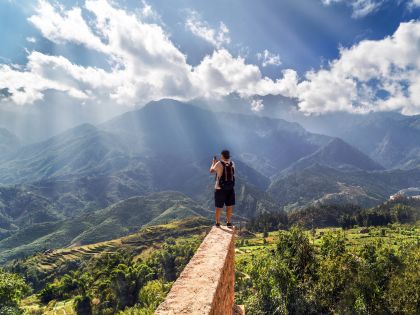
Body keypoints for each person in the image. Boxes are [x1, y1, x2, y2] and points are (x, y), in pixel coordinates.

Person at [209, 149, 235, 228]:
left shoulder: (218, 163)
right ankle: (229, 222)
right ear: (228, 156)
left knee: (219, 207)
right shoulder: (232, 163)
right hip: (230, 188)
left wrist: (213, 162)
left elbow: (211, 171)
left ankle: (217, 223)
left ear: (222, 156)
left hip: (220, 188)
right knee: (229, 206)